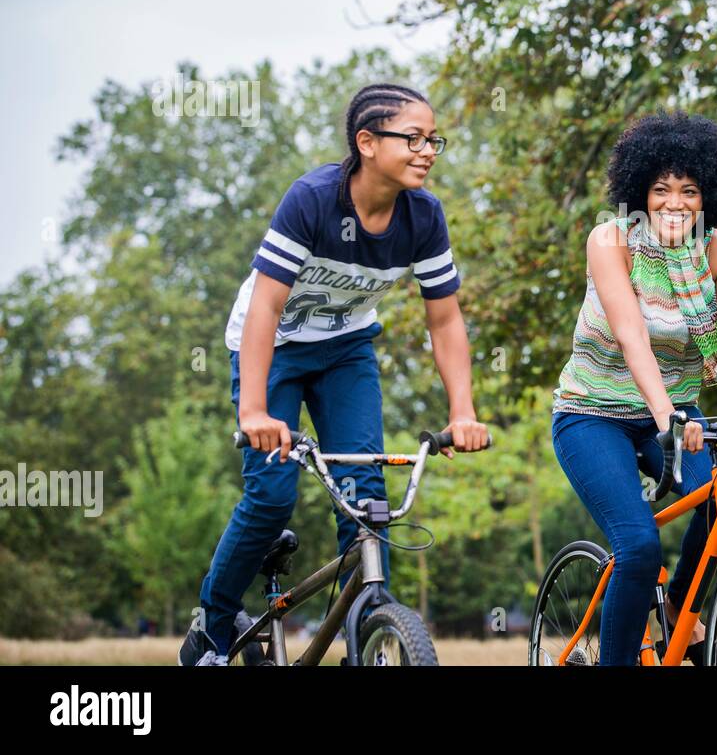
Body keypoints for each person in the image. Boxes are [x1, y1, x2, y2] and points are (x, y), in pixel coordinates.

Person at [180, 83, 489, 665]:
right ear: (367, 142)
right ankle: (212, 626)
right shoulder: (314, 199)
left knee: (364, 495)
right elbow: (266, 308)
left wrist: (462, 411)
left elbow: (445, 321)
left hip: (346, 351)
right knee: (271, 497)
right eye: (414, 138)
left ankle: (363, 634)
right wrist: (253, 411)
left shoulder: (423, 217)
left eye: (434, 140)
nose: (428, 150)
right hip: (273, 347)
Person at [550, 110, 717, 666]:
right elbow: (632, 335)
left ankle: (677, 615)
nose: (674, 202)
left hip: (675, 412)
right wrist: (667, 415)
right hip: (593, 413)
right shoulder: (610, 240)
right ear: (640, 191)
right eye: (661, 189)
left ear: (707, 195)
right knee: (639, 547)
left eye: (689, 191)